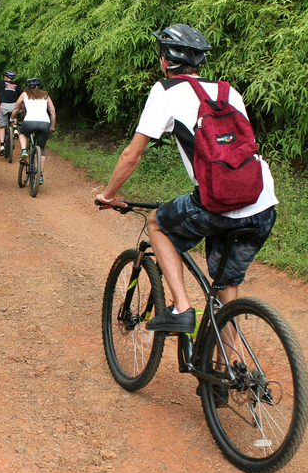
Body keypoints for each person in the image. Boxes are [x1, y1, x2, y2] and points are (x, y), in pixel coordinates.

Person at [96, 24, 278, 338]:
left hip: (216, 204)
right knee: (225, 289)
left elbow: (131, 155)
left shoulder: (165, 91)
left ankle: (181, 308)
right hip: (261, 201)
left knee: (157, 223)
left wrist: (109, 195)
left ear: (165, 60)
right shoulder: (228, 90)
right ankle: (227, 372)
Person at [11, 78, 56, 185]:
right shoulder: (45, 95)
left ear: (27, 86)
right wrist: (52, 127)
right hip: (44, 123)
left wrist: (12, 118)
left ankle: (23, 150)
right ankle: (39, 175)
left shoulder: (24, 94)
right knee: (42, 149)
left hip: (29, 122)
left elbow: (16, 108)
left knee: (22, 134)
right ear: (39, 86)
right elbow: (53, 112)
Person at [0, 70, 22, 156]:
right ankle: (15, 128)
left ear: (6, 77)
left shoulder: (2, 83)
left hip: (4, 106)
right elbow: (21, 99)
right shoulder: (17, 86)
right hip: (14, 105)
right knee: (14, 115)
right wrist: (22, 108)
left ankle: (2, 145)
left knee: (2, 126)